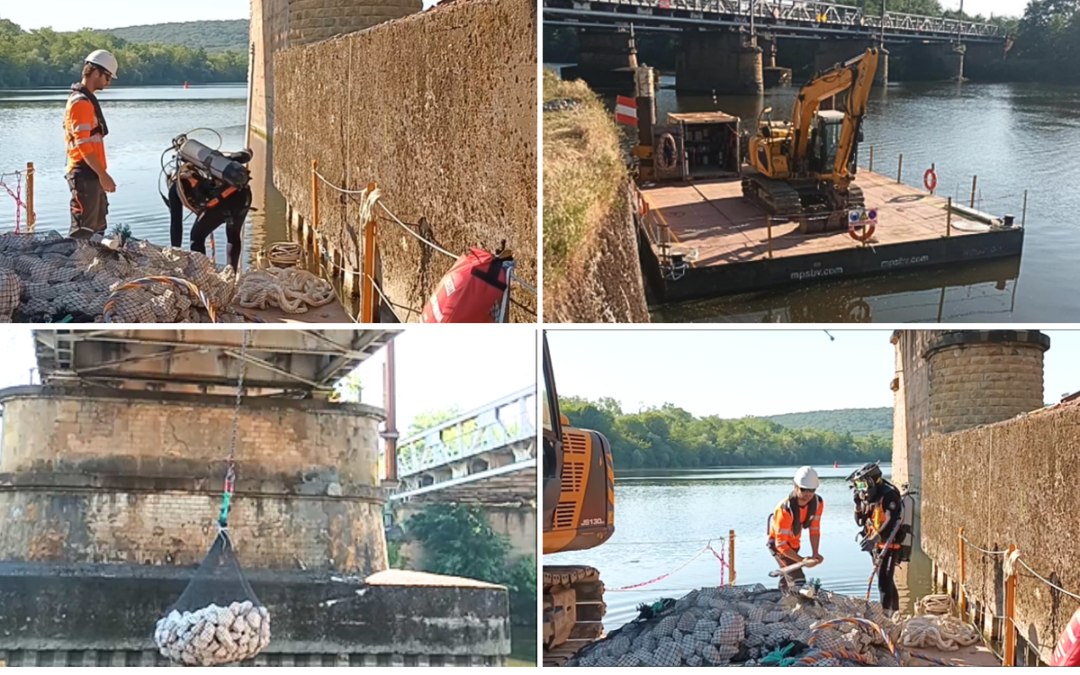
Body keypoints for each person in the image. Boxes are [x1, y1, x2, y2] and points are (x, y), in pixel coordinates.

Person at [167, 150, 253, 271]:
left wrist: (174, 253)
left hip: (220, 204)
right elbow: (243, 156)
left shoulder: (176, 188)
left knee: (196, 238)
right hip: (243, 195)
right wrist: (248, 153)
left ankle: (202, 275)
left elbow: (176, 225)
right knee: (233, 236)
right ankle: (232, 276)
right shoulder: (212, 165)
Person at [64, 50, 118, 240]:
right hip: (84, 173)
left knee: (97, 229)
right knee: (83, 232)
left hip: (91, 173)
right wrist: (103, 175)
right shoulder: (81, 103)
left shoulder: (86, 100)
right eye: (108, 77)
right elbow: (83, 144)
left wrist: (100, 174)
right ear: (96, 73)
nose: (108, 82)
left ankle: (93, 267)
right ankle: (76, 268)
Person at [849, 461, 903, 613]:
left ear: (872, 481)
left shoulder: (888, 495)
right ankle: (895, 613)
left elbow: (891, 519)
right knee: (887, 581)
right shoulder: (868, 497)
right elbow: (860, 521)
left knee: (884, 583)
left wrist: (876, 538)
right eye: (858, 486)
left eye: (862, 485)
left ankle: (885, 617)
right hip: (875, 546)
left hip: (889, 545)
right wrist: (858, 506)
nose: (861, 490)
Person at [767, 466, 824, 590]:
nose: (808, 494)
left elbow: (814, 530)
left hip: (794, 544)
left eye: (811, 490)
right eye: (804, 490)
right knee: (798, 580)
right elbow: (780, 544)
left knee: (787, 578)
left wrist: (815, 553)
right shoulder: (785, 509)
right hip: (778, 546)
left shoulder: (818, 503)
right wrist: (802, 561)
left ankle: (780, 603)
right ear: (795, 486)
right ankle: (798, 606)